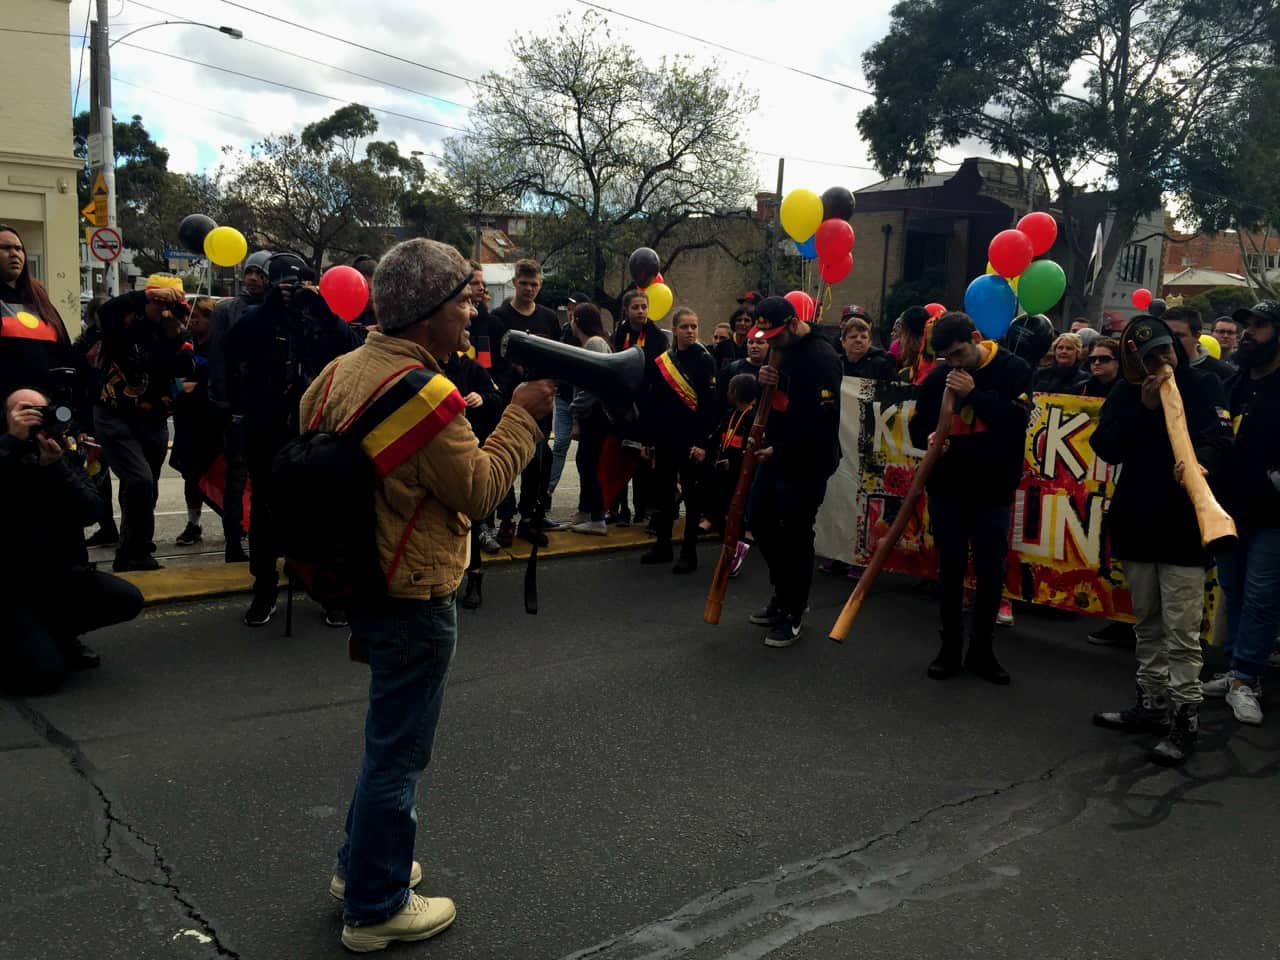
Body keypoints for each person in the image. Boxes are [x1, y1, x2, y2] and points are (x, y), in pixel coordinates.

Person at [299, 238, 552, 953]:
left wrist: (452, 424)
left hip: (364, 578)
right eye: (465, 302)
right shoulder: (423, 391)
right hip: (413, 588)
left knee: (384, 744)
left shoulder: (336, 373)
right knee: (399, 756)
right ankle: (376, 908)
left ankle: (361, 869)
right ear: (426, 313)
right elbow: (477, 491)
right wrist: (522, 418)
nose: (475, 315)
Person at [1090, 316, 1232, 765]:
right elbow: (1106, 445)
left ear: (1178, 347)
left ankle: (1184, 721)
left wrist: (1201, 462)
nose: (1161, 362)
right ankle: (1150, 704)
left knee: (1183, 632)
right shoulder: (1129, 390)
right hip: (1138, 519)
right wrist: (1143, 409)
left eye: (1166, 351)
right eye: (1150, 357)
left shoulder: (1205, 384)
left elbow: (1220, 438)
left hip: (1184, 526)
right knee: (1146, 622)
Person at [224, 254, 357, 627]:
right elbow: (233, 345)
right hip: (267, 427)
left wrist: (323, 310)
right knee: (266, 511)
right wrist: (269, 310)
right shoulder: (258, 317)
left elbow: (352, 347)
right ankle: (264, 588)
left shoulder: (321, 318)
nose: (293, 293)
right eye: (285, 285)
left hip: (316, 428)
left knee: (322, 512)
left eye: (299, 285)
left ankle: (328, 590)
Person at [908, 312, 1033, 684]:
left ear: (976, 337)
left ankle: (982, 651)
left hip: (992, 487)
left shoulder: (1014, 369)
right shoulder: (937, 378)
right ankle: (949, 650)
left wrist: (973, 394)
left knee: (991, 571)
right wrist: (929, 438)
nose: (956, 364)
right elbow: (917, 426)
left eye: (961, 353)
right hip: (948, 487)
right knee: (950, 571)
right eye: (948, 357)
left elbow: (1014, 422)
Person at [0, 388, 143, 695]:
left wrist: (56, 467)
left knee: (128, 598)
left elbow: (92, 510)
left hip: (62, 579)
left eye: (42, 410)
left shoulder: (63, 455)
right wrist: (11, 442)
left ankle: (58, 634)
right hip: (14, 588)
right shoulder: (4, 450)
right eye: (25, 410)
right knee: (44, 676)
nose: (36, 418)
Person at [746, 296, 843, 647]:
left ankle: (794, 609)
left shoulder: (822, 358)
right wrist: (764, 382)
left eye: (773, 335)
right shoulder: (778, 352)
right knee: (758, 518)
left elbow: (822, 420)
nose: (768, 342)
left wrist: (782, 448)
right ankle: (782, 592)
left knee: (796, 533)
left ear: (791, 324)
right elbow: (774, 402)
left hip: (807, 460)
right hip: (775, 454)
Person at [1201, 301, 1280, 725]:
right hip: (1228, 510)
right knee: (1232, 590)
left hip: (1272, 515)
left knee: (1261, 596)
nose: (1249, 333)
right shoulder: (1233, 383)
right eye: (1246, 325)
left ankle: (1247, 678)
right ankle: (1234, 669)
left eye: (1260, 325)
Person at [94, 276, 195, 572]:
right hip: (115, 414)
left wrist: (175, 334)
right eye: (159, 303)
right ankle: (131, 551)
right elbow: (105, 313)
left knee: (143, 488)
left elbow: (185, 376)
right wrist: (142, 296)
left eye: (172, 307)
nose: (164, 311)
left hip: (153, 419)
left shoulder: (177, 338)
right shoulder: (124, 324)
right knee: (139, 480)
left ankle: (136, 547)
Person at [641, 307, 718, 572]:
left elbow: (710, 407)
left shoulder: (705, 360)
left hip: (691, 441)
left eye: (694, 327)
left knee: (692, 498)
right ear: (674, 329)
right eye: (685, 327)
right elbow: (652, 403)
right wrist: (648, 441)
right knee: (663, 495)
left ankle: (688, 552)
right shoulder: (664, 361)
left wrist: (703, 443)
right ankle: (662, 545)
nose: (690, 332)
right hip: (665, 439)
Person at [490, 258, 559, 547]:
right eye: (524, 283)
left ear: (540, 285)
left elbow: (558, 357)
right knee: (506, 461)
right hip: (508, 404)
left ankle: (530, 517)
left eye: (534, 284)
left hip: (541, 405)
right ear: (515, 283)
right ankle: (506, 518)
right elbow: (491, 362)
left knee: (538, 464)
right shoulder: (498, 318)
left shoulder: (549, 319)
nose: (529, 289)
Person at [208, 249, 270, 564]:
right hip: (238, 406)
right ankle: (234, 541)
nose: (253, 279)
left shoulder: (280, 312)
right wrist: (221, 401)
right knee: (237, 476)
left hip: (271, 407)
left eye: (260, 274)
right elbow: (218, 358)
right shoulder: (226, 311)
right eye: (250, 272)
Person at [444, 326, 504, 610]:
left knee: (472, 519)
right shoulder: (425, 365)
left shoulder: (471, 367)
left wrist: (482, 398)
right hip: (438, 452)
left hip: (470, 448)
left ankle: (475, 579)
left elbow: (496, 398)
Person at [608, 288, 668, 528]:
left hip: (648, 405)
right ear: (627, 310)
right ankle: (620, 509)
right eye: (636, 307)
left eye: (644, 307)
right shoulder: (620, 333)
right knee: (622, 456)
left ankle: (643, 508)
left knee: (644, 459)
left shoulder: (656, 336)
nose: (641, 311)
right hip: (623, 404)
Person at [169, 297, 224, 547]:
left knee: (218, 474)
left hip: (211, 422)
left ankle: (233, 522)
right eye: (189, 317)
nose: (191, 322)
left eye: (197, 318)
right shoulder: (184, 346)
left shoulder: (220, 348)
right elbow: (172, 379)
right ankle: (194, 523)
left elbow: (221, 383)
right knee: (191, 477)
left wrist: (198, 387)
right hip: (187, 422)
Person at [0, 223, 75, 403]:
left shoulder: (40, 302)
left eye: (19, 248)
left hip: (48, 409)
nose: (14, 254)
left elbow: (65, 354)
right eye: (5, 248)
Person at [74, 294, 118, 548]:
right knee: (97, 475)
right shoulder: (84, 345)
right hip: (90, 418)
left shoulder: (120, 340)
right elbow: (78, 386)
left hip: (114, 414)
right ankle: (108, 525)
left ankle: (113, 527)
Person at [704, 371, 759, 576]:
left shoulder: (753, 418)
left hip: (740, 473)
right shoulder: (731, 414)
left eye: (729, 389)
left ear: (735, 392)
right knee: (718, 510)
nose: (726, 393)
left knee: (735, 511)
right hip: (723, 471)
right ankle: (732, 545)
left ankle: (738, 547)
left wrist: (734, 462)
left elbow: (752, 448)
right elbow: (717, 435)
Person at [568, 302, 613, 535]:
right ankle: (587, 512)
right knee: (585, 461)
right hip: (592, 414)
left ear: (579, 320)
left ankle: (597, 518)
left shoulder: (595, 343)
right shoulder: (593, 342)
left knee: (588, 463)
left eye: (572, 317)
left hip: (595, 415)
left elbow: (591, 385)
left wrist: (574, 411)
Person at [547, 292, 589, 511]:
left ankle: (588, 503)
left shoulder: (593, 340)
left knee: (587, 456)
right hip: (563, 399)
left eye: (576, 307)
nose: (571, 311)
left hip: (583, 404)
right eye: (569, 308)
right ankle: (547, 492)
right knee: (560, 444)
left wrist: (577, 419)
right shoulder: (564, 331)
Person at [1163, 305, 1236, 386]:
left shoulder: (1223, 373)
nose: (1172, 340)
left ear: (1197, 335)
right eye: (1167, 334)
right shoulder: (1154, 368)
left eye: (1179, 335)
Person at [840, 313, 898, 379]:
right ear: (843, 341)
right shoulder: (836, 364)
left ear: (870, 342)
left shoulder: (882, 366)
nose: (858, 340)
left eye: (864, 337)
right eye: (853, 337)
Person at [713, 305, 753, 373]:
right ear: (733, 322)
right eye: (739, 320)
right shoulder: (723, 346)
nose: (742, 323)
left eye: (747, 320)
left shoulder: (754, 347)